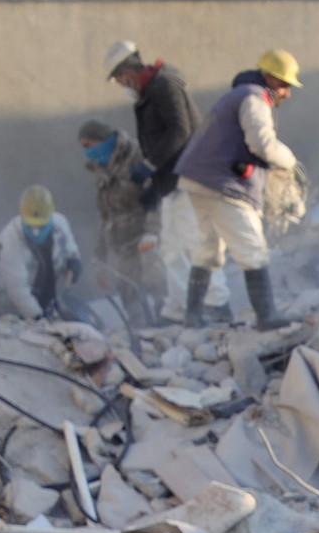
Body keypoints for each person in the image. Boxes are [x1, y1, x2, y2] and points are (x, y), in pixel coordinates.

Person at [172, 50, 301, 330]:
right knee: (252, 249)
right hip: (223, 186)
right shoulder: (255, 98)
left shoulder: (237, 96)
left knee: (208, 248)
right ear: (269, 77)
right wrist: (288, 160)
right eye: (284, 85)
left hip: (198, 181)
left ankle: (192, 315)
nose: (287, 93)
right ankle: (267, 317)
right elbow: (262, 144)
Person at [105, 40, 232, 323]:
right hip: (171, 181)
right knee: (172, 249)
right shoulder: (148, 94)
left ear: (128, 71)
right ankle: (178, 308)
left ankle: (217, 303)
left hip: (190, 175)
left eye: (118, 78)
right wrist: (155, 184)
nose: (120, 85)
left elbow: (180, 130)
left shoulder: (165, 84)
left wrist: (150, 165)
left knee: (194, 240)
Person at [79, 118, 164, 326]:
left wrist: (152, 231)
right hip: (120, 242)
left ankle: (169, 322)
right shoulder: (100, 169)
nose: (86, 152)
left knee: (156, 281)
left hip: (145, 235)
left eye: (88, 146)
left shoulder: (136, 156)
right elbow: (105, 216)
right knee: (128, 290)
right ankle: (141, 332)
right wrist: (99, 257)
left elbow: (156, 195)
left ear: (103, 140)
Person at [0, 185, 82, 320]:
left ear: (51, 215)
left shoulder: (60, 224)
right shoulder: (8, 241)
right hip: (18, 309)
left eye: (41, 226)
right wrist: (37, 317)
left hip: (50, 295)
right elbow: (17, 290)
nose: (36, 231)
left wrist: (73, 262)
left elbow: (69, 249)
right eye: (31, 225)